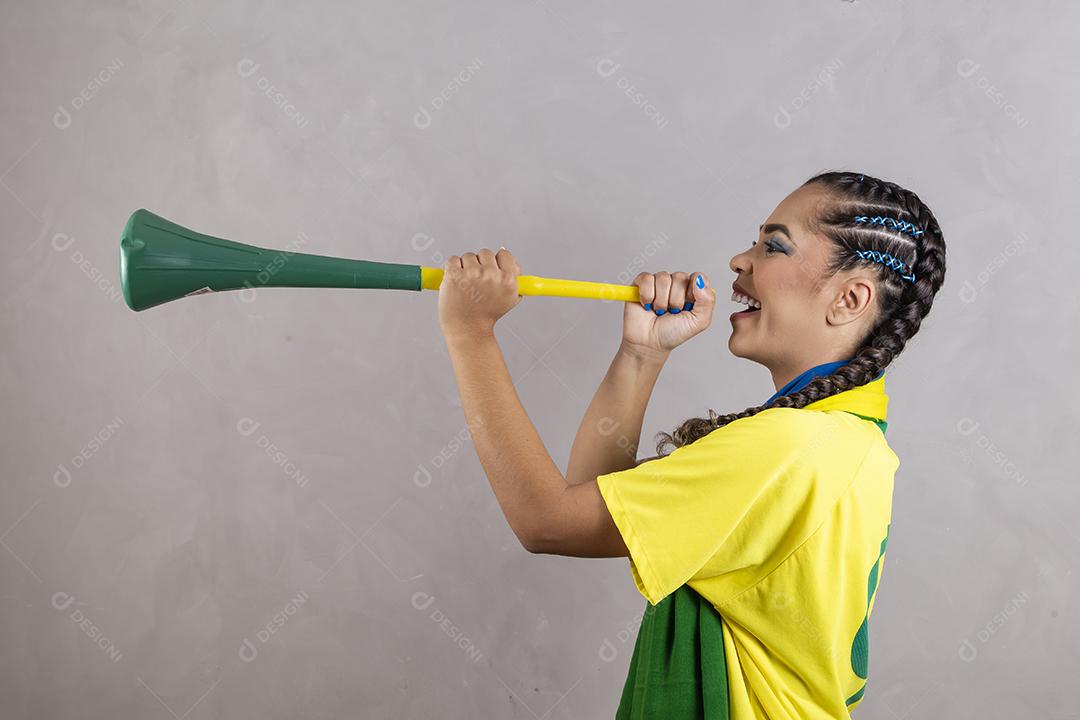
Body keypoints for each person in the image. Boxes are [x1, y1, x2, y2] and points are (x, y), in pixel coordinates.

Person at [436, 170, 946, 718]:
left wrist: (470, 333)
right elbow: (594, 501)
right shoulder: (847, 436)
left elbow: (546, 521)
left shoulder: (789, 445)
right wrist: (642, 353)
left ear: (849, 299)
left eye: (774, 246)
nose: (739, 260)